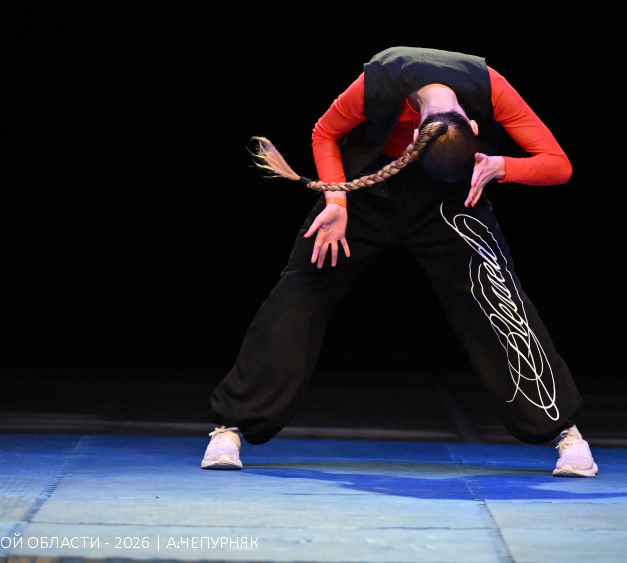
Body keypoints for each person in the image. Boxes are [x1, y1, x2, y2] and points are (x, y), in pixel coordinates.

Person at [203, 47, 597, 477]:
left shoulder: (492, 89)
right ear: (412, 141)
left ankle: (565, 432)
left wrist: (502, 165)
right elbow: (324, 133)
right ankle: (232, 426)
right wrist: (336, 201)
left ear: (474, 127)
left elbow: (559, 165)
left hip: (455, 199)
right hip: (364, 192)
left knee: (496, 297)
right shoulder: (378, 81)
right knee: (301, 289)